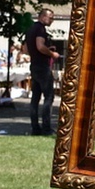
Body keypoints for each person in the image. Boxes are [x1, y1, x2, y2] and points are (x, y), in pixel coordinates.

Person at [24, 8, 60, 136]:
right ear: (43, 16)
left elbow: (25, 48)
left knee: (35, 98)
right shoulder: (40, 29)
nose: (52, 20)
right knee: (48, 97)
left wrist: (40, 52)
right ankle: (46, 128)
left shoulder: (30, 29)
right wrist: (51, 53)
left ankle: (35, 128)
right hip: (43, 67)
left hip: (34, 66)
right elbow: (40, 46)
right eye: (51, 18)